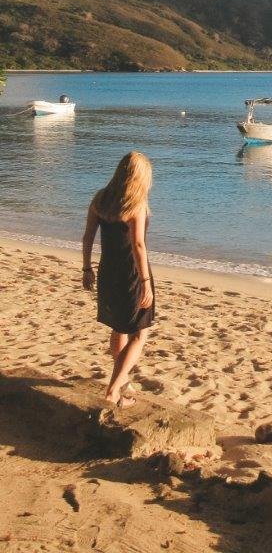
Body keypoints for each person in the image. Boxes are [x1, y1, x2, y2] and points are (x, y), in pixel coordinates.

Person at [82, 151, 155, 407]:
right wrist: (146, 282)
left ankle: (123, 382)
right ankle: (114, 389)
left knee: (119, 328)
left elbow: (88, 237)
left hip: (108, 271)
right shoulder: (136, 203)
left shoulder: (100, 199)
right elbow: (138, 245)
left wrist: (86, 268)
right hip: (132, 274)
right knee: (139, 334)